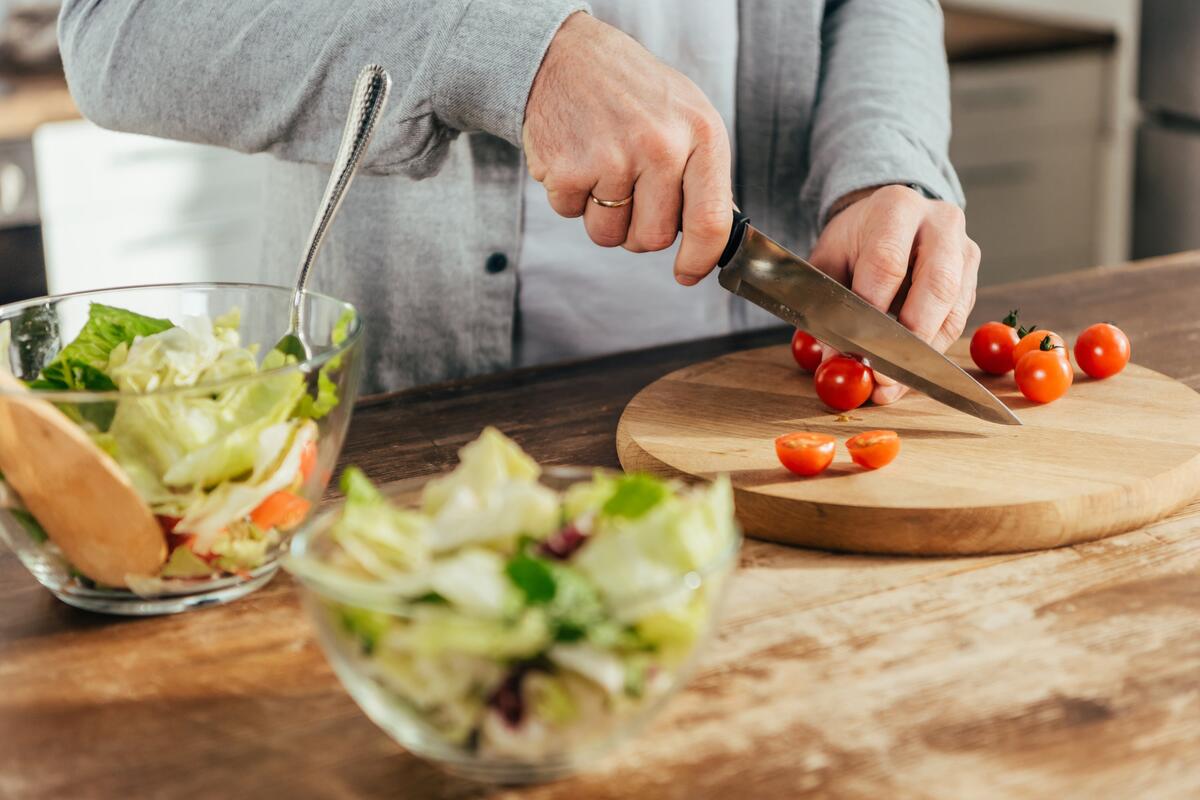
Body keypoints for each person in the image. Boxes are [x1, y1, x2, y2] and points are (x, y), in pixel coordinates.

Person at [57, 0, 978, 399]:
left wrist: (882, 166)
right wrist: (514, 54)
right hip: (425, 413)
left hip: (764, 401)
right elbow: (115, 34)